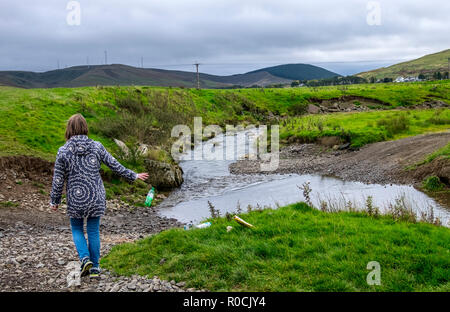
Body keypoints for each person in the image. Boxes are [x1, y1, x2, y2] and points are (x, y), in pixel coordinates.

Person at [50, 114, 148, 278]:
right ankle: (95, 267)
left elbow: (58, 179)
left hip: (76, 198)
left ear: (69, 130)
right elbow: (114, 164)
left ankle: (84, 258)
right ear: (85, 128)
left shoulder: (63, 151)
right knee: (93, 231)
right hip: (96, 196)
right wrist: (133, 175)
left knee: (76, 229)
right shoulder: (97, 147)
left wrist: (55, 200)